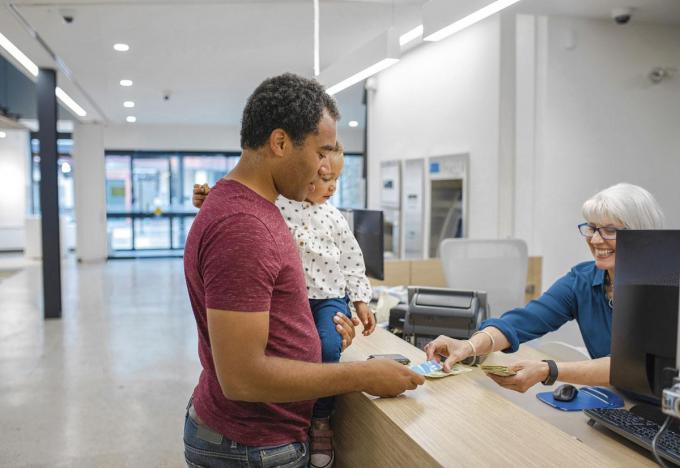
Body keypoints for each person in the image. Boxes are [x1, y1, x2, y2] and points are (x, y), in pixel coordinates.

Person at [183, 73, 424, 468]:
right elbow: (242, 377)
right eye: (321, 152)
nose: (324, 168)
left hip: (255, 437)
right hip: (251, 446)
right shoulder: (245, 226)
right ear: (280, 143)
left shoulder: (259, 206)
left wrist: (319, 335)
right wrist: (363, 376)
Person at [193, 142, 376, 468]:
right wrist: (210, 199)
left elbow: (352, 260)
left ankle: (321, 418)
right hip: (297, 297)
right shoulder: (275, 206)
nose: (331, 187)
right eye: (323, 177)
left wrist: (360, 299)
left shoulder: (333, 216)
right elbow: (244, 198)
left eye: (336, 179)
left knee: (329, 344)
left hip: (329, 296)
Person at [425, 183, 664, 393]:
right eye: (592, 228)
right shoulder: (582, 280)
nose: (595, 240)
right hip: (620, 402)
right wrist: (468, 346)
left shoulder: (664, 288)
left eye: (610, 230)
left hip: (665, 413)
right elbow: (525, 320)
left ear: (641, 234)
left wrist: (548, 370)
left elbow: (631, 365)